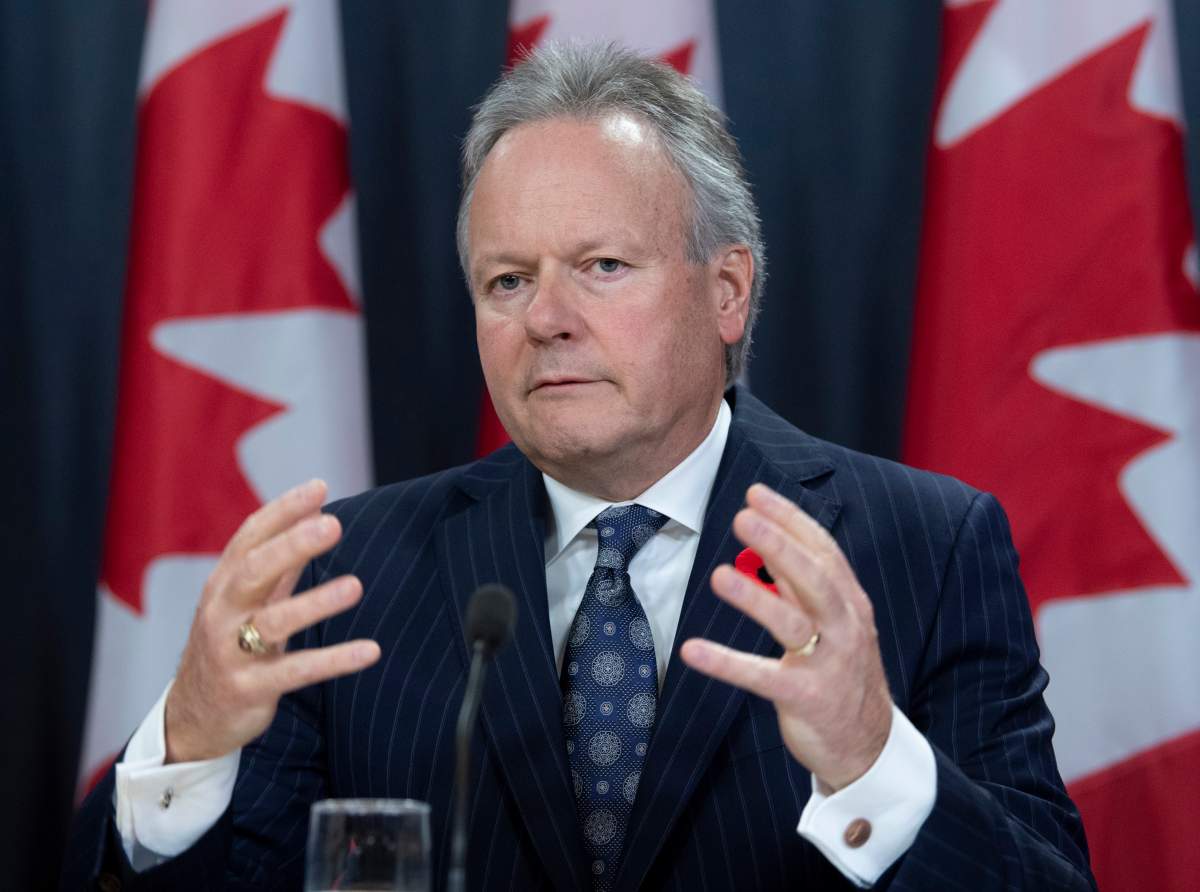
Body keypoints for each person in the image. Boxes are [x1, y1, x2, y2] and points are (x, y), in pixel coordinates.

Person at [63, 43, 1095, 890]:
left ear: (727, 290)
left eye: (603, 267)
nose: (546, 320)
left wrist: (876, 761)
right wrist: (189, 746)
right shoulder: (347, 576)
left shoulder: (926, 546)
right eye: (507, 279)